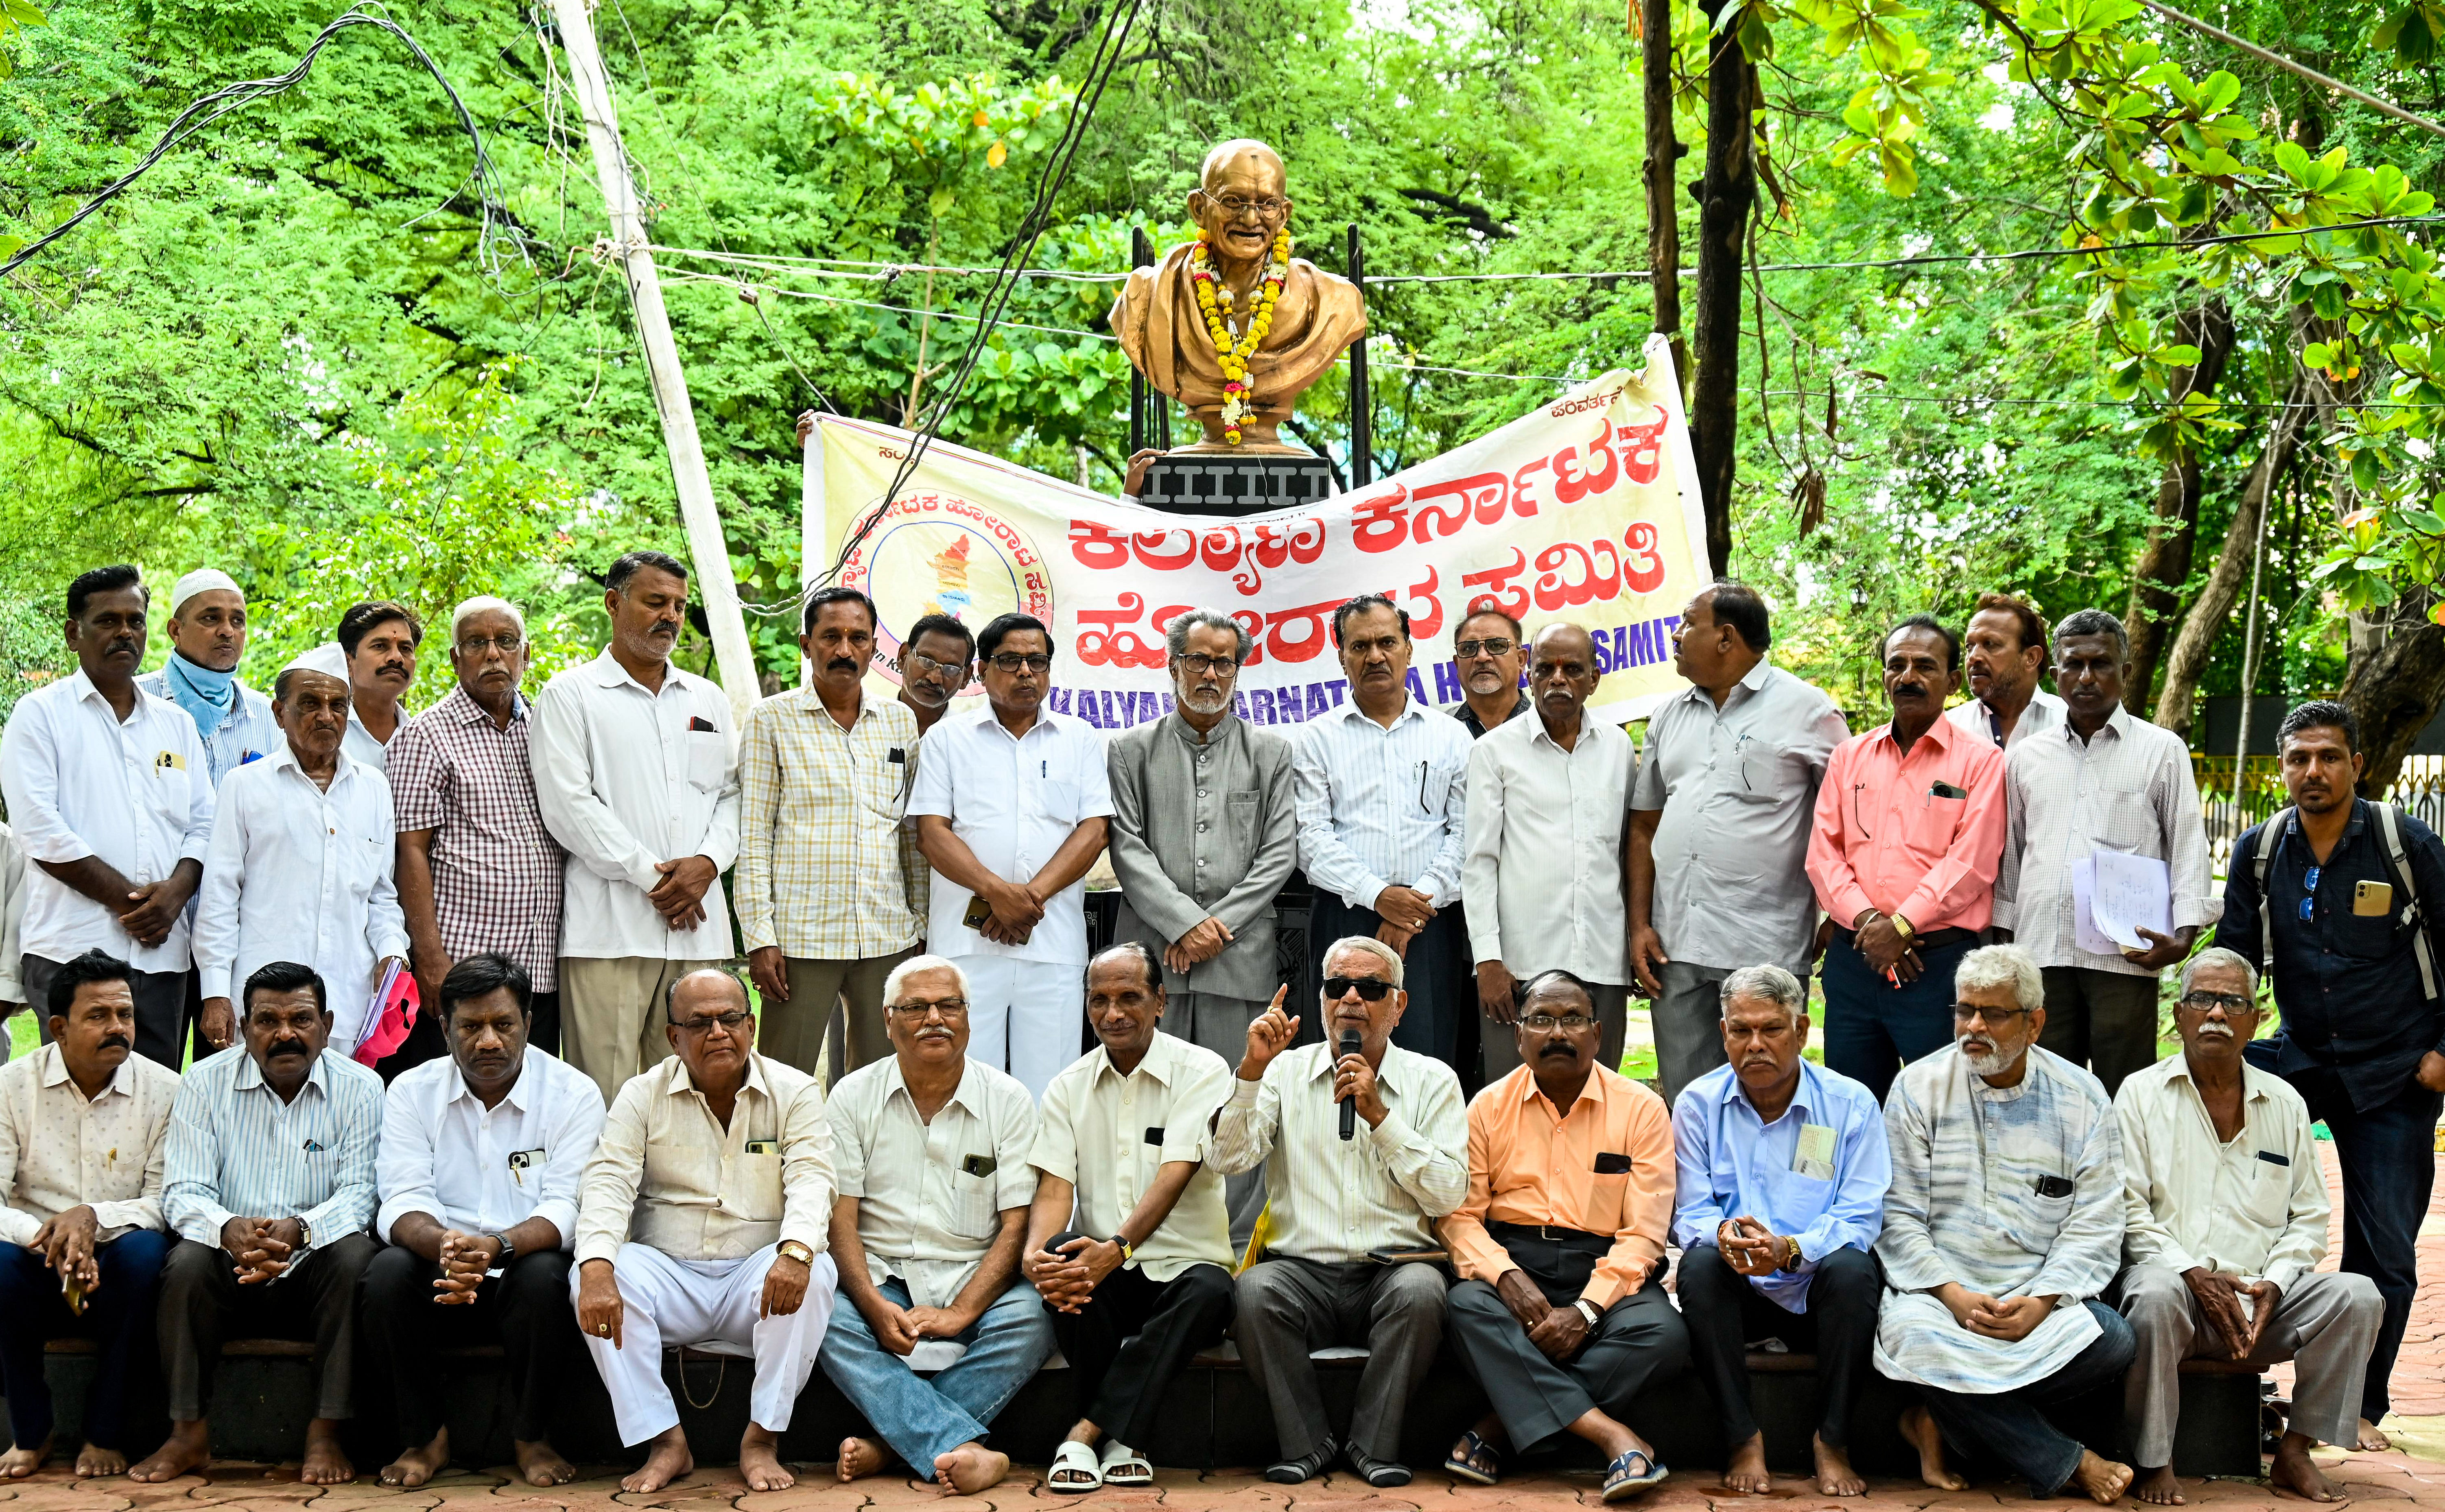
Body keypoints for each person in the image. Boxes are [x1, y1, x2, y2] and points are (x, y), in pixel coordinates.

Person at [2217, 699, 2444, 1451]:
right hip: (2303, 1056)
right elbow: (2235, 960)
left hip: (2396, 1071)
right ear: (2279, 767)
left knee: (2382, 1249)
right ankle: (2226, 1379)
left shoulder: (2402, 843)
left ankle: (2359, 1406)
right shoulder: (2259, 849)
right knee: (2216, 1168)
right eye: (2297, 758)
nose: (2312, 771)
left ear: (2354, 764)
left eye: (2328, 756)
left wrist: (2444, 1053)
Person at [2112, 947, 2382, 1506]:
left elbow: (2308, 1216)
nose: (2216, 1013)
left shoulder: (2284, 1102)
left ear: (2255, 1019)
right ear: (2178, 1014)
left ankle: (2295, 1452)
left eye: (2232, 1001)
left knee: (2358, 1296)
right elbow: (2126, 1209)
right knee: (2155, 1295)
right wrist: (2190, 1272)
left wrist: (2276, 1283)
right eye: (2202, 1000)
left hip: (2263, 1302)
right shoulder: (2139, 1095)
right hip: (2179, 1294)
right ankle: (2154, 1459)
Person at [1873, 944, 2134, 1505]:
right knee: (1909, 1335)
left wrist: (2040, 1301)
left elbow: (2095, 1222)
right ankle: (2067, 1461)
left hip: (2035, 1296)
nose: (1973, 1026)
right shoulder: (1917, 1089)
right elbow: (1897, 1215)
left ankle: (1940, 1415)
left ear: (2034, 1023)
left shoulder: (2082, 1098)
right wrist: (1953, 1295)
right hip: (1941, 1296)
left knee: (2112, 1339)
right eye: (1965, 1010)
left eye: (1992, 1014)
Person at [1210, 936, 1467, 1486]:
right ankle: (1307, 1444)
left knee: (1424, 1292)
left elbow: (1448, 1194)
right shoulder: (1281, 1072)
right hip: (1301, 1270)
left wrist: (1382, 1117)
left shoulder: (1432, 1080)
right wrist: (1252, 1069)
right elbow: (1228, 1159)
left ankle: (1374, 1446)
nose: (1351, 998)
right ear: (1322, 998)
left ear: (1397, 1006)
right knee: (1252, 1293)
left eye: (1370, 988)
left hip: (1393, 1269)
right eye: (1337, 986)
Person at [571, 969, 834, 1495]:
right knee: (593, 1277)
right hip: (668, 1274)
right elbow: (607, 1182)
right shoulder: (641, 1095)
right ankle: (666, 1440)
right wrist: (596, 1266)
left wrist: (796, 1252)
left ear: (752, 1026)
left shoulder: (795, 1091)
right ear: (674, 1037)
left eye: (730, 1018)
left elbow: (813, 1178)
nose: (718, 1032)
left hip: (756, 1278)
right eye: (699, 1022)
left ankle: (761, 1438)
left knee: (816, 1272)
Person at [134, 960, 386, 1486]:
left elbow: (362, 1195)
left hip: (314, 1267)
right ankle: (187, 1432)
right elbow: (183, 1190)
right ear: (245, 1027)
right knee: (184, 1262)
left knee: (356, 1257)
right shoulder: (204, 1082)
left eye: (301, 1018)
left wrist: (300, 1231)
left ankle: (325, 1431)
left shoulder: (361, 1087)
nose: (285, 1033)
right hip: (230, 1264)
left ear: (328, 1024)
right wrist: (229, 1229)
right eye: (268, 1020)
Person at [1438, 971, 1685, 1502]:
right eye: (1541, 1020)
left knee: (1662, 1334)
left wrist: (1589, 1310)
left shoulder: (1640, 1109)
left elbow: (1644, 1234)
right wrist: (1505, 1277)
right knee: (1466, 1307)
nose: (1557, 1032)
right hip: (1513, 1259)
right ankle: (1611, 1434)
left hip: (1605, 1262)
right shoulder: (1486, 1108)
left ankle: (1499, 1428)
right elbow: (1459, 1218)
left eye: (1572, 1019)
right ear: (1519, 1035)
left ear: (1597, 1034)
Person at [367, 951, 606, 1490]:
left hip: (520, 1267)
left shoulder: (573, 1093)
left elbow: (567, 1206)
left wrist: (497, 1245)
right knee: (385, 1276)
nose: (489, 1041)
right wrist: (444, 1245)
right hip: (439, 1266)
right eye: (471, 1026)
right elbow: (401, 1197)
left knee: (546, 1278)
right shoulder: (411, 1090)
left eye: (504, 1024)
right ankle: (425, 1437)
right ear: (445, 1026)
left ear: (527, 1022)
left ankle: (531, 1435)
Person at [819, 954, 1048, 1495]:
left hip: (976, 1277)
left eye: (949, 1005)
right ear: (888, 1020)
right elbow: (839, 1220)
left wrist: (962, 1311)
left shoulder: (1008, 1099)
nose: (934, 1019)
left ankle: (894, 1444)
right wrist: (873, 1305)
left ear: (968, 1018)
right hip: (878, 1274)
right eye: (916, 1007)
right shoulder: (852, 1096)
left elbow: (1017, 1225)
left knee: (1038, 1314)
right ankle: (959, 1445)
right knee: (817, 1307)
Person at [1105, 607, 1294, 1246]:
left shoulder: (1271, 752)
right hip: (1150, 962)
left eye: (1223, 662)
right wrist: (1184, 925)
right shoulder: (1130, 750)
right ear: (1172, 665)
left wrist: (1216, 927)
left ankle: (1233, 1248)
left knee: (1235, 1105)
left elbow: (1279, 853)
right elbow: (1126, 847)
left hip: (1238, 962)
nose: (1210, 673)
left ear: (1238, 671)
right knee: (1148, 1107)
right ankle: (1141, 1242)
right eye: (1198, 659)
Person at [1023, 944, 1236, 1492]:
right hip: (1107, 1275)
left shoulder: (1202, 1069)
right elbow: (1053, 1185)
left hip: (1184, 1273)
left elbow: (1176, 1171)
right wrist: (1037, 1255)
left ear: (1160, 1001)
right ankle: (1126, 1441)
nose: (1113, 1013)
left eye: (1129, 997)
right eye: (1099, 1000)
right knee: (1062, 1255)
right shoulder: (1067, 1085)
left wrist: (1115, 1248)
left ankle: (1088, 1430)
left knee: (1211, 1289)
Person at [1669, 965, 1889, 1497]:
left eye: (1771, 1029)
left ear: (1802, 1030)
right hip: (1738, 1290)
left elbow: (1861, 1213)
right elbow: (1690, 1214)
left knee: (1854, 1269)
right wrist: (1724, 1237)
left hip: (1814, 1289)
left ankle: (1832, 1440)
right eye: (1741, 1030)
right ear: (1723, 1034)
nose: (1756, 1044)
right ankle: (1743, 1436)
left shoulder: (1849, 1103)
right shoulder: (1698, 1104)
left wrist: (1790, 1250)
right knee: (1698, 1263)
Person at [533, 550, 741, 1104]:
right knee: (607, 1093)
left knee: (693, 1089)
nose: (670, 615)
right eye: (655, 602)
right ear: (613, 602)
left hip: (697, 928)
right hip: (609, 932)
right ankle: (607, 1195)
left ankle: (684, 1194)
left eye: (678, 604)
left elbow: (732, 793)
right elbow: (569, 806)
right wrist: (657, 880)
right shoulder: (569, 695)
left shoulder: (707, 699)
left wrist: (707, 865)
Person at [1630, 581, 1848, 1106]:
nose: (1675, 636)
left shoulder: (1810, 712)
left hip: (1764, 944)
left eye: (1687, 624)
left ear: (1727, 637)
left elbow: (1850, 821)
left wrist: (1841, 914)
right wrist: (1638, 924)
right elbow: (1643, 825)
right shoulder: (1668, 715)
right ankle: (1700, 1192)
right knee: (1689, 1101)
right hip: (1676, 944)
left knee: (1769, 1093)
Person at [0, 565, 215, 1068]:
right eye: (108, 621)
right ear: (75, 633)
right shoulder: (40, 715)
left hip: (163, 956)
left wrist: (176, 895)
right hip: (71, 949)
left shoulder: (176, 724)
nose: (125, 633)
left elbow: (205, 824)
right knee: (72, 1101)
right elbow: (39, 829)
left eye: (136, 621)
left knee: (155, 1099)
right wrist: (136, 904)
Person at [1995, 609, 2216, 1095]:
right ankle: (2055, 1176)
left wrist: (2183, 936)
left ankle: (2129, 1176)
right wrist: (2005, 940)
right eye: (2074, 665)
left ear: (2126, 672)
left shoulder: (2161, 749)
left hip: (2125, 955)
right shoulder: (2026, 756)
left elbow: (2185, 841)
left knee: (2127, 1089)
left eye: (2102, 664)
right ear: (2055, 676)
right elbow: (2010, 852)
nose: (2087, 677)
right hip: (2042, 950)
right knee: (2049, 1090)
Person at [1806, 615, 2008, 1104]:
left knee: (1940, 1104)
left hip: (1934, 966)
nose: (1908, 676)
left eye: (1925, 666)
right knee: (1853, 1101)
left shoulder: (1982, 762)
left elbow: (1972, 862)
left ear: (1952, 681)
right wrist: (1874, 923)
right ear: (1884, 677)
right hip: (1856, 962)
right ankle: (1857, 1185)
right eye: (1896, 665)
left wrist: (1901, 927)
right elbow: (1824, 854)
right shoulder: (1849, 756)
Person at [910, 612, 1112, 1098]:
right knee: (969, 1090)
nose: (1026, 672)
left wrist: (1027, 900)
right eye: (1011, 661)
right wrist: (995, 893)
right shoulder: (947, 739)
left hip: (1053, 945)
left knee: (1048, 1092)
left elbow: (1095, 830)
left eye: (1037, 662)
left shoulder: (1079, 738)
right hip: (968, 945)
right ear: (982, 671)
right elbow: (932, 834)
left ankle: (1041, 1178)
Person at [0, 950, 178, 1478]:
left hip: (117, 1263)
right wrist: (48, 1237)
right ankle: (31, 1433)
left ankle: (104, 1433)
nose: (118, 1027)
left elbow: (166, 1199)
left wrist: (90, 1219)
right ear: (58, 1026)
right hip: (32, 1258)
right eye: (98, 1016)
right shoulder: (11, 1086)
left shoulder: (165, 1090)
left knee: (148, 1253)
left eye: (124, 1014)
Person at [194, 644, 409, 1060]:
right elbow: (220, 897)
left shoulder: (374, 789)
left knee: (341, 1118)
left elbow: (381, 895)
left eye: (337, 705)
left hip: (348, 1004)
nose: (326, 716)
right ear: (279, 714)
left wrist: (391, 954)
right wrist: (217, 992)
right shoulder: (245, 786)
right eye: (310, 704)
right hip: (263, 1007)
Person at [740, 587, 920, 1080]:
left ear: (873, 647)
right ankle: (783, 1161)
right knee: (782, 1081)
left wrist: (919, 924)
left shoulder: (899, 722)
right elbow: (754, 834)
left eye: (858, 638)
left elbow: (908, 833)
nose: (845, 650)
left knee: (881, 1084)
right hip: (800, 941)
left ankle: (866, 1163)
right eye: (831, 637)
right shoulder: (770, 720)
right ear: (806, 645)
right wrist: (760, 938)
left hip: (886, 936)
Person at [1293, 595, 1473, 1067]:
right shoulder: (1316, 738)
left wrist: (1415, 905)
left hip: (1430, 926)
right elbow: (1311, 838)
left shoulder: (1450, 735)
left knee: (1428, 1057)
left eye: (1387, 642)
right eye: (1361, 646)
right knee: (1342, 1057)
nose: (1375, 656)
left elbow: (1467, 832)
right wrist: (1378, 896)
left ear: (1409, 650)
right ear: (1342, 657)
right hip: (1346, 917)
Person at [389, 596, 566, 1060]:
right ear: (455, 659)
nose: (492, 654)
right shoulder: (425, 736)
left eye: (506, 642)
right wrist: (429, 959)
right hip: (463, 968)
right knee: (456, 1104)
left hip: (540, 967)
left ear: (525, 655)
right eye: (476, 643)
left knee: (530, 1110)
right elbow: (409, 852)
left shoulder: (549, 729)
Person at [1463, 623, 1634, 1083]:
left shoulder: (1618, 747)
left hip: (1602, 960)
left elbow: (1625, 853)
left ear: (1595, 678)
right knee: (1515, 1100)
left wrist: (1634, 943)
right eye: (1546, 669)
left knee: (1601, 1097)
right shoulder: (1494, 752)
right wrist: (1489, 961)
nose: (1559, 679)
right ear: (1528, 673)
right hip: (1519, 967)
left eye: (1573, 669)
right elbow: (1478, 864)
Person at [137, 568, 281, 789]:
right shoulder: (136, 702)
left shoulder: (265, 715)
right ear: (176, 631)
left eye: (237, 621)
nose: (227, 631)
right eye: (211, 618)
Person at [1949, 593, 2065, 751]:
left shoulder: (2069, 723)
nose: (1974, 657)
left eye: (1990, 644)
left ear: (2031, 658)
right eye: (1970, 647)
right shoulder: (1950, 729)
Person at [337, 600, 422, 774]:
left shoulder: (423, 737)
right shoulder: (325, 733)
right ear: (348, 663)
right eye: (380, 646)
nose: (397, 658)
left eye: (406, 648)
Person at [1450, 608, 1527, 737]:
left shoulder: (1550, 726)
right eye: (1469, 648)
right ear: (1457, 664)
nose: (1482, 657)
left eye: (1496, 646)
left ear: (1521, 660)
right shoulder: (1437, 731)